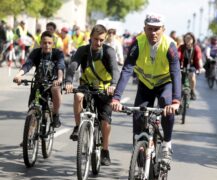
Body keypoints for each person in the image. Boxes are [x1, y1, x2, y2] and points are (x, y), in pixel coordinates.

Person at [111, 13, 181, 165]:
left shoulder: (169, 46)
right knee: (138, 115)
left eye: (157, 29)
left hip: (165, 83)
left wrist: (176, 101)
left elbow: (176, 72)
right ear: (144, 29)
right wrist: (116, 98)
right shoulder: (138, 43)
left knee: (166, 105)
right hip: (145, 84)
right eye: (150, 29)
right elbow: (127, 69)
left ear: (163, 29)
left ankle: (166, 144)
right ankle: (138, 162)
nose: (153, 33)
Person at [65, 24, 120, 166]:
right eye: (96, 39)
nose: (98, 43)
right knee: (78, 96)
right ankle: (78, 127)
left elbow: (115, 69)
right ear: (90, 38)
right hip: (87, 85)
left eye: (102, 40)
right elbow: (73, 66)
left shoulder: (109, 51)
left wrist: (113, 85)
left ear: (105, 39)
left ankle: (105, 151)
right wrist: (69, 81)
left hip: (105, 89)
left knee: (105, 122)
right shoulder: (83, 50)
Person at [13, 31, 65, 137]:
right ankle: (28, 137)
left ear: (53, 44)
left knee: (56, 89)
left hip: (53, 83)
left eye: (49, 43)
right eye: (44, 43)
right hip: (38, 83)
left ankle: (55, 115)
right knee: (32, 110)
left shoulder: (58, 53)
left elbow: (60, 66)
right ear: (41, 43)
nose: (47, 45)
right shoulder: (36, 52)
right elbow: (28, 65)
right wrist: (19, 75)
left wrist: (59, 79)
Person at [177, 32, 202, 100]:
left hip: (192, 66)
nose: (188, 40)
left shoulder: (196, 48)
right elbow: (177, 56)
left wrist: (201, 67)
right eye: (186, 38)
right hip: (182, 65)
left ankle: (192, 91)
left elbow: (199, 58)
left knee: (192, 77)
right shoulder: (181, 47)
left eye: (189, 38)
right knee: (178, 77)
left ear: (193, 39)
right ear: (184, 39)